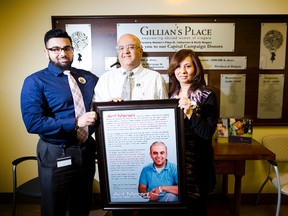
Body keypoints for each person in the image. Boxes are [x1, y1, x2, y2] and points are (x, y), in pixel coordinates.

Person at [20, 29, 99, 216]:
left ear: (72, 50)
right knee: (54, 207)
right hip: (56, 152)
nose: (62, 53)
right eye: (55, 49)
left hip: (86, 150)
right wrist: (76, 122)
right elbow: (33, 122)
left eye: (66, 48)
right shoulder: (35, 81)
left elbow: (102, 105)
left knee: (82, 204)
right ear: (45, 51)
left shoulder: (88, 78)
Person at [168, 49, 219, 216]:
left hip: (197, 161)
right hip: (175, 160)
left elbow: (206, 133)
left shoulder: (207, 94)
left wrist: (189, 112)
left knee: (196, 208)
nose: (182, 71)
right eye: (178, 67)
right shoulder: (169, 95)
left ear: (196, 68)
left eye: (187, 66)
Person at [93, 33, 168, 102]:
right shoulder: (105, 79)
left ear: (140, 51)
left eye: (131, 47)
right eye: (121, 48)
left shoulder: (155, 78)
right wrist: (108, 106)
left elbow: (165, 109)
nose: (126, 51)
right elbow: (96, 110)